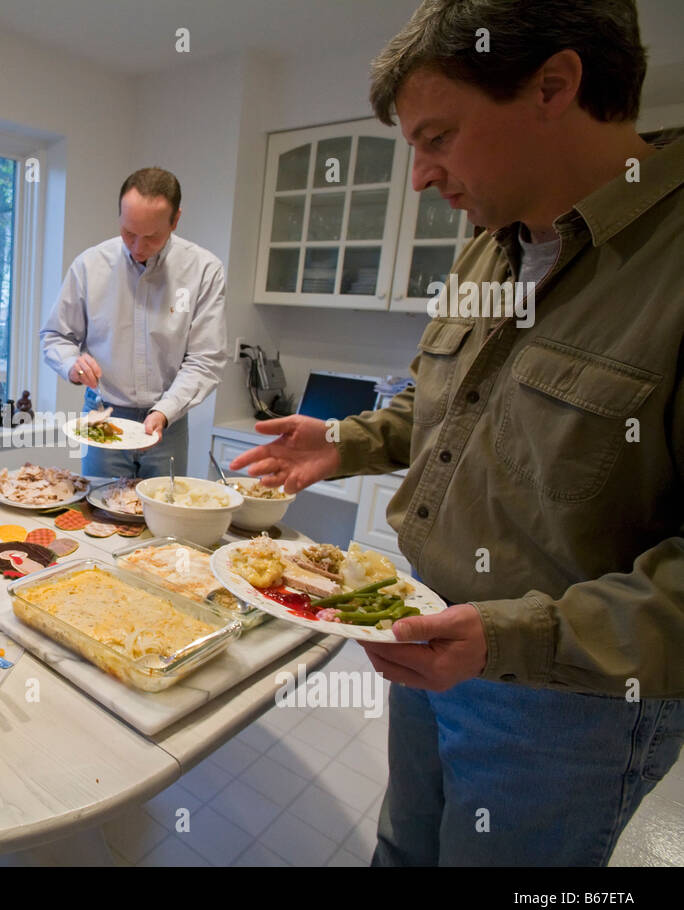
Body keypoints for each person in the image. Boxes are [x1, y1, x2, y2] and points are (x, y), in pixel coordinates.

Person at [233, 0, 683, 866]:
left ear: (555, 84)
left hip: (567, 700)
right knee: (404, 848)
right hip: (433, 636)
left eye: (437, 138)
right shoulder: (492, 245)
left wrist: (513, 638)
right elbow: (459, 410)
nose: (420, 179)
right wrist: (349, 440)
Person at [41, 167, 228, 478]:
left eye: (152, 236)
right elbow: (55, 336)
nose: (137, 247)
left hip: (168, 422)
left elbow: (205, 360)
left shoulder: (204, 270)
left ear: (175, 220)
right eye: (129, 232)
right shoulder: (90, 265)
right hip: (103, 418)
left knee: (163, 519)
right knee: (98, 516)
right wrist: (71, 365)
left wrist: (164, 412)